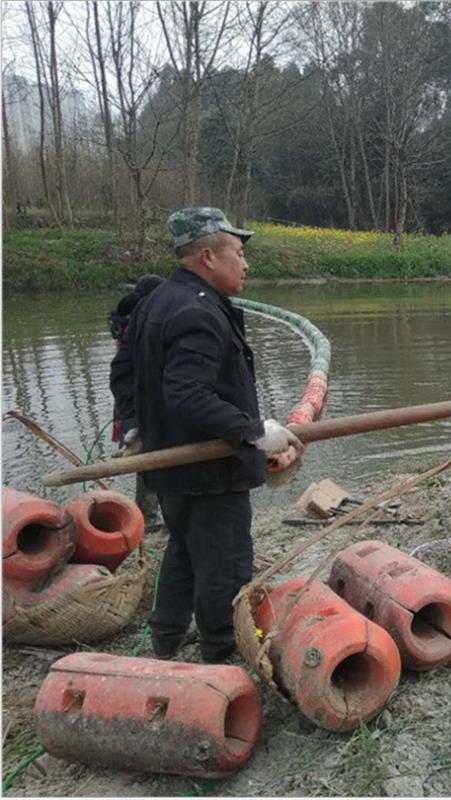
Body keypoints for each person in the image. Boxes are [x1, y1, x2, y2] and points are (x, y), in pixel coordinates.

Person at [110, 207, 303, 663]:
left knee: (183, 550)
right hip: (210, 472)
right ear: (208, 256)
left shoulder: (156, 301)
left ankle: (166, 635)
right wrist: (254, 431)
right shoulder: (198, 312)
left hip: (170, 469)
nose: (246, 263)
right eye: (238, 252)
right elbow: (188, 394)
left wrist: (135, 422)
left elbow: (124, 369)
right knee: (224, 563)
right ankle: (222, 655)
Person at [108, 275, 165, 534]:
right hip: (139, 405)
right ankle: (149, 518)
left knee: (149, 461)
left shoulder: (129, 321)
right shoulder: (141, 324)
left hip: (131, 404)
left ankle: (149, 515)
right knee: (150, 460)